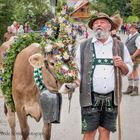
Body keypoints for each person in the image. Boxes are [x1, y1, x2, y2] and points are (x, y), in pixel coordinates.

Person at [76, 12, 133, 140]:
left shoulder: (119, 46)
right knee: (89, 132)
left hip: (112, 98)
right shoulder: (84, 45)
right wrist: (76, 80)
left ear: (109, 26)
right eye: (96, 23)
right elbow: (77, 69)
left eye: (102, 22)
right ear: (92, 28)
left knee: (105, 131)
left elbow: (128, 70)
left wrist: (122, 64)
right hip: (89, 97)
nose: (98, 25)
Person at [123, 24, 140, 96]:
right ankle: (130, 88)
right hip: (129, 57)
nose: (132, 30)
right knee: (129, 71)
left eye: (133, 29)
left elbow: (139, 49)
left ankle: (136, 89)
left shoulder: (138, 37)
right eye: (131, 29)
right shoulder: (130, 35)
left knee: (134, 71)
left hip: (135, 57)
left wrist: (133, 56)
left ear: (136, 29)